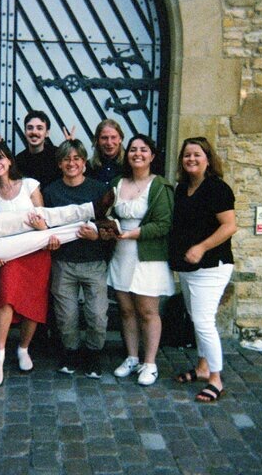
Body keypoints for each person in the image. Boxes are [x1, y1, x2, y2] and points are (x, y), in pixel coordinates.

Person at [169, 137, 237, 402]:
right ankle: (201, 367)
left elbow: (229, 226)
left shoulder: (217, 189)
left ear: (208, 159)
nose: (191, 159)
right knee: (195, 316)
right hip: (188, 266)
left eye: (197, 155)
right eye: (187, 155)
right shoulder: (182, 188)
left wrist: (202, 247)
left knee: (204, 320)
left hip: (211, 265)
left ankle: (216, 379)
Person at [105, 134, 175, 386]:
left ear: (152, 156)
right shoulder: (117, 182)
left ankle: (150, 363)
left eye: (143, 150)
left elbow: (164, 225)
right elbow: (106, 213)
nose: (137, 154)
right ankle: (132, 357)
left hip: (147, 255)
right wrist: (109, 228)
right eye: (133, 149)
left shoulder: (160, 186)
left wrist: (135, 233)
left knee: (147, 311)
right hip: (121, 253)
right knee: (125, 309)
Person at [0, 142, 53, 386]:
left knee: (33, 302)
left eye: (0, 158)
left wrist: (42, 229)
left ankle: (23, 348)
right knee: (6, 299)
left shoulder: (30, 185)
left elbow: (45, 221)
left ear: (9, 161)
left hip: (36, 251)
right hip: (9, 255)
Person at [44, 140, 110, 379]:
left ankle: (93, 354)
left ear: (84, 163)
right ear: (60, 164)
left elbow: (110, 226)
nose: (71, 163)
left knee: (97, 314)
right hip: (63, 262)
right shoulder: (51, 192)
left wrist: (97, 236)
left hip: (93, 261)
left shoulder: (99, 190)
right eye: (66, 159)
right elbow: (44, 225)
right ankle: (70, 352)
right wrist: (49, 239)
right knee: (66, 314)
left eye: (76, 159)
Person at [15, 110, 60, 189]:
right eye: (30, 128)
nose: (34, 132)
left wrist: (71, 149)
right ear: (25, 132)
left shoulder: (58, 155)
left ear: (47, 133)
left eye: (39, 128)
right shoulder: (19, 160)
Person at [88, 119, 125, 187]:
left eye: (113, 137)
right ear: (97, 140)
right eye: (104, 138)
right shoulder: (88, 167)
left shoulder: (129, 166)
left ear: (120, 139)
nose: (109, 143)